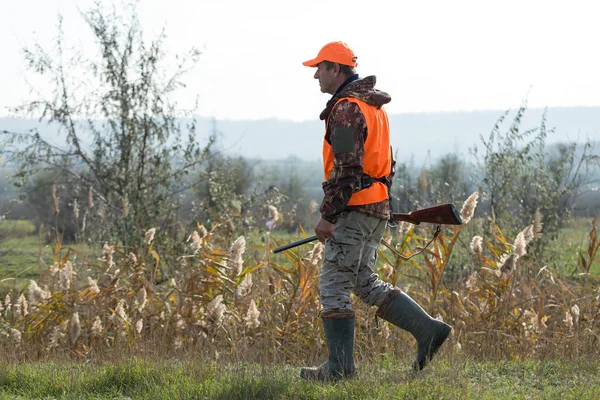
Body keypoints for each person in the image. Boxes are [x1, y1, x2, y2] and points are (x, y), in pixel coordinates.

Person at [299, 41, 452, 381]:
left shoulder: (345, 109)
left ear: (336, 69)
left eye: (320, 68)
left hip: (353, 209)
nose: (315, 76)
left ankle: (340, 369)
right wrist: (378, 204)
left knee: (333, 286)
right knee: (362, 281)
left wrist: (328, 215)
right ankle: (428, 330)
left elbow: (347, 169)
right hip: (374, 208)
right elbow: (387, 163)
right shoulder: (374, 108)